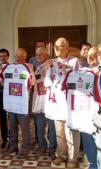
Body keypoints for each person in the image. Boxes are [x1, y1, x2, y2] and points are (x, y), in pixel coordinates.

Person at [44, 37, 80, 168]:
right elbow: (47, 79)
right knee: (59, 132)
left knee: (71, 132)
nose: (57, 50)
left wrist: (67, 71)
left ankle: (72, 158)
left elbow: (79, 80)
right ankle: (61, 155)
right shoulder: (52, 62)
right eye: (56, 47)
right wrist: (49, 82)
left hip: (71, 103)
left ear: (67, 48)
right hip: (57, 103)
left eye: (60, 47)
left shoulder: (74, 61)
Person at [0, 48, 35, 158]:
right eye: (17, 56)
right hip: (12, 102)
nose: (19, 59)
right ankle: (13, 146)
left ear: (25, 57)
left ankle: (25, 148)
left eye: (22, 57)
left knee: (24, 128)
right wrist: (1, 72)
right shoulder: (9, 68)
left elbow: (32, 83)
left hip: (23, 103)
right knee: (13, 127)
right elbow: (1, 81)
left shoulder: (29, 68)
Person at [31, 47, 57, 158]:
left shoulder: (53, 64)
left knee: (52, 129)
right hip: (39, 104)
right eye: (37, 54)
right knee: (39, 128)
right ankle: (42, 147)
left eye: (41, 54)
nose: (38, 56)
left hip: (51, 104)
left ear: (47, 55)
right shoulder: (35, 68)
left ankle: (52, 149)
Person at [79, 47, 99, 169]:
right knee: (88, 143)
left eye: (94, 55)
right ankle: (93, 164)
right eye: (88, 56)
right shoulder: (83, 72)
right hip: (85, 113)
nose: (90, 58)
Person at [0, 48, 10, 149]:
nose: (2, 58)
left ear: (8, 57)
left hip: (10, 95)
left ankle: (12, 139)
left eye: (4, 56)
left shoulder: (12, 67)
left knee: (11, 118)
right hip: (0, 95)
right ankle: (4, 139)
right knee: (2, 118)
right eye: (0, 56)